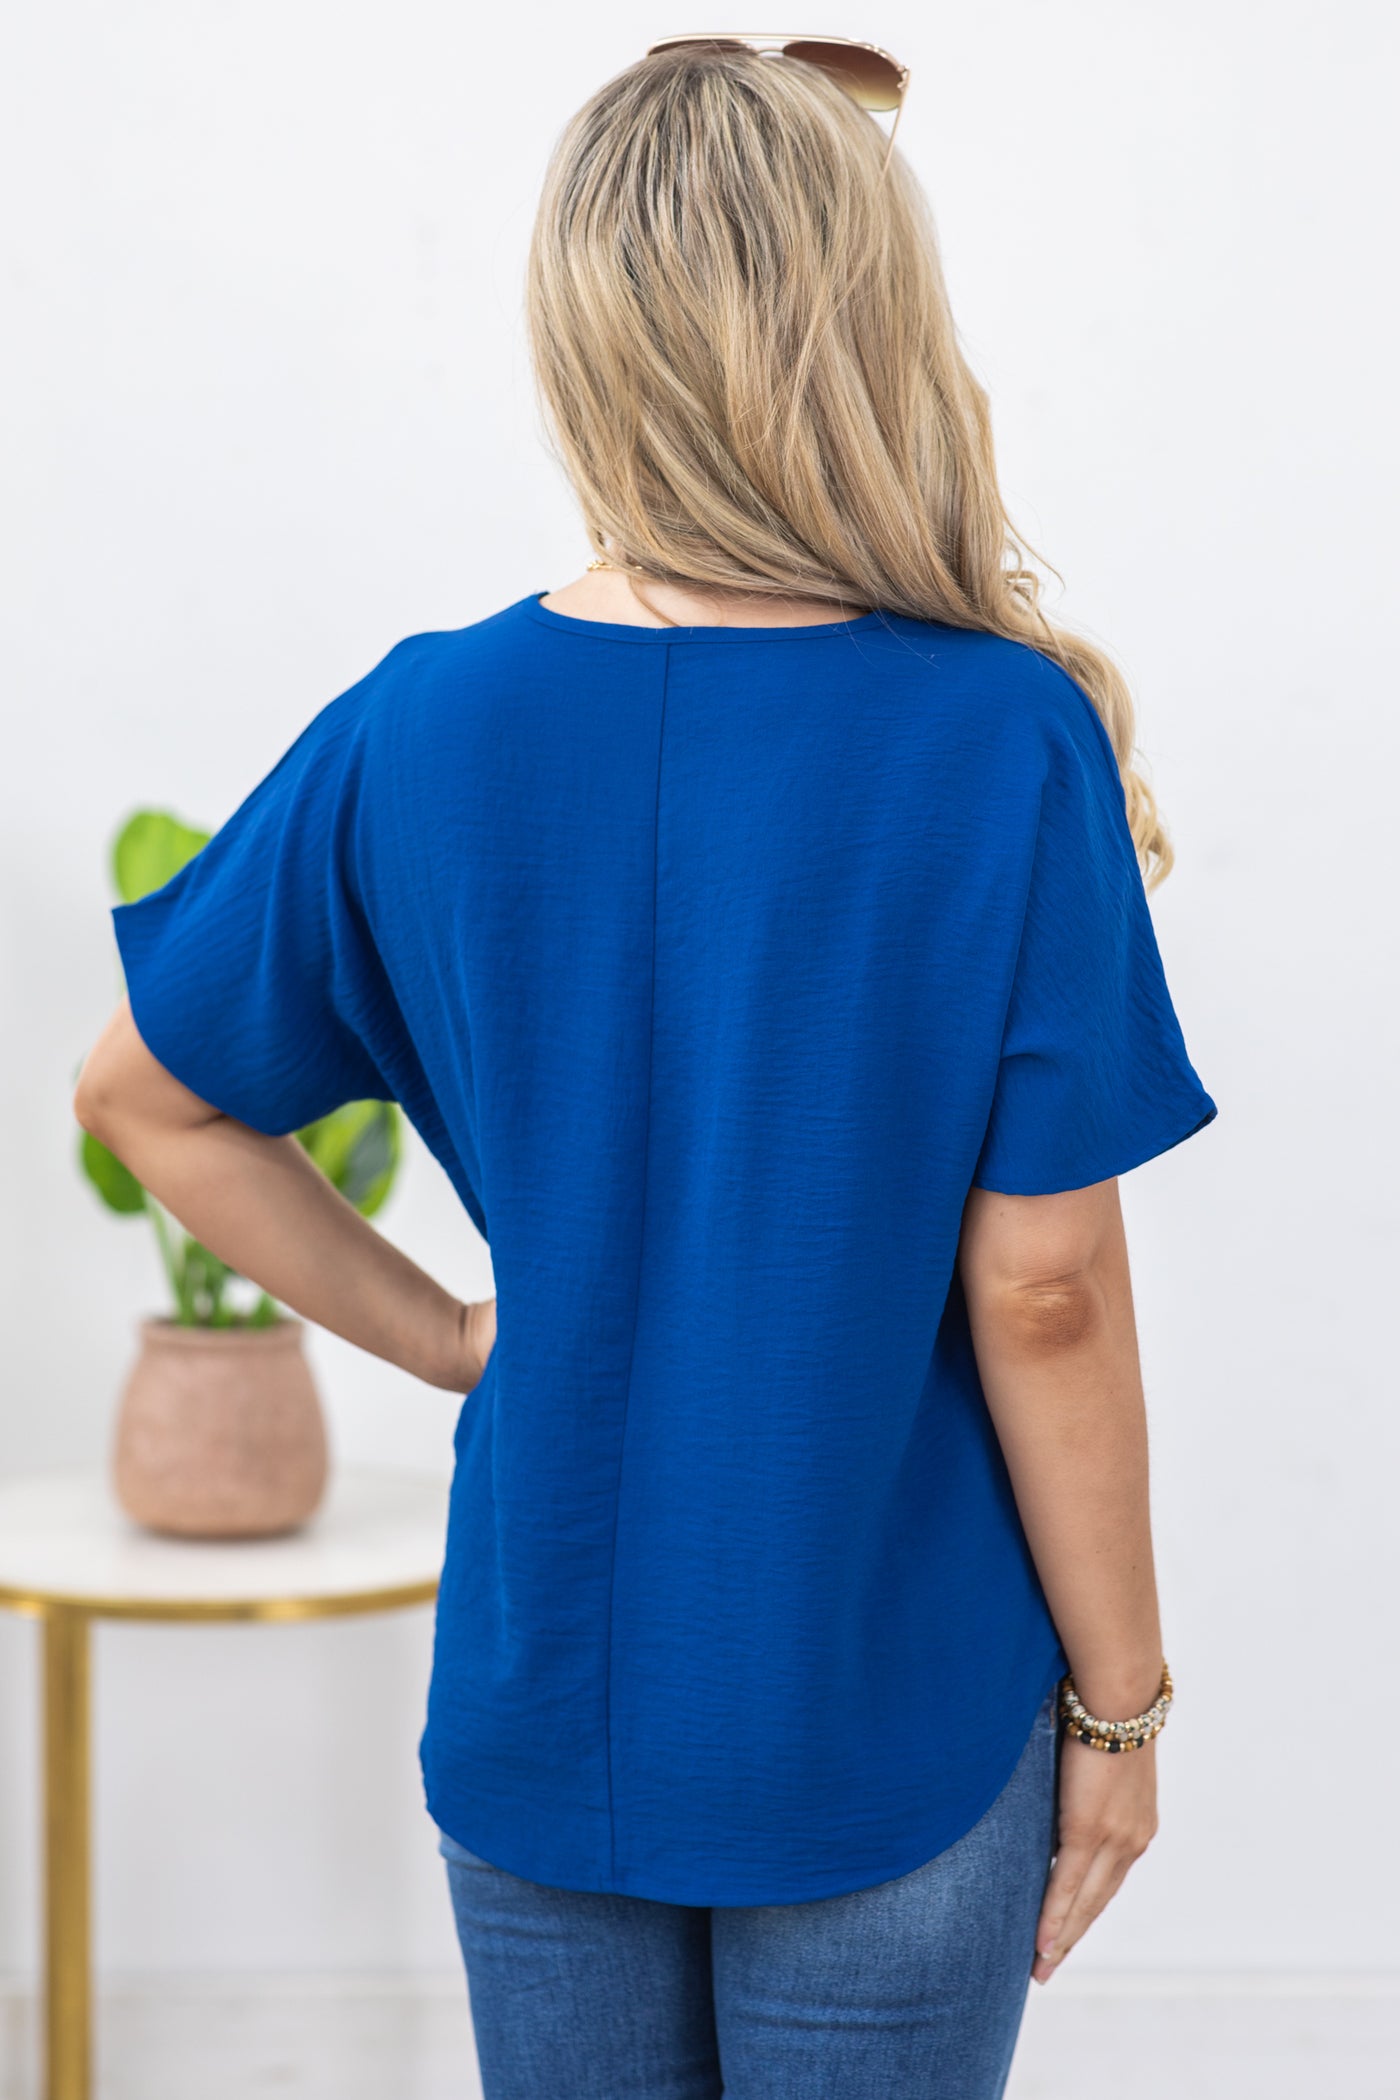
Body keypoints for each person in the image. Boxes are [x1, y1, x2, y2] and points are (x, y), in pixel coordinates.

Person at [73, 33, 1217, 2100]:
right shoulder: (999, 738)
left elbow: (145, 1097)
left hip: (549, 1691)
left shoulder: (421, 722)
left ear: (584, 337)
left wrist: (448, 1338)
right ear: (868, 321)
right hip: (887, 1699)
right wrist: (1122, 1707)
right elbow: (1044, 1286)